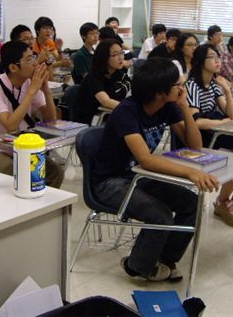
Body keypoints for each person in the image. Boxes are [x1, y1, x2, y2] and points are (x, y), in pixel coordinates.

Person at [92, 57, 220, 281]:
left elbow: (195, 146)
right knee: (160, 214)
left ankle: (164, 259)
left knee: (191, 203)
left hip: (140, 176)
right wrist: (191, 172)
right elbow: (146, 159)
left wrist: (184, 108)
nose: (182, 88)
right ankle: (138, 266)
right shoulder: (127, 112)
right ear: (160, 92)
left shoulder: (168, 106)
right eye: (177, 85)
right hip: (110, 182)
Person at [185, 45, 233, 226]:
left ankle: (226, 203)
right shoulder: (192, 85)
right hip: (203, 140)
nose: (218, 61)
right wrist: (221, 123)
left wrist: (227, 91)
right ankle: (223, 203)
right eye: (212, 57)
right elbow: (195, 121)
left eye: (218, 57)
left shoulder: (215, 83)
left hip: (219, 134)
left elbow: (231, 116)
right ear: (201, 62)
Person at [0, 41, 64, 188]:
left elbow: (51, 121)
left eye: (34, 58)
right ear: (13, 67)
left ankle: (38, 209)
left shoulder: (29, 83)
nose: (35, 64)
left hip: (20, 147)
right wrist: (31, 91)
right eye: (29, 60)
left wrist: (46, 90)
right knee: (12, 171)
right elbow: (10, 125)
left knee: (55, 172)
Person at [73, 39, 131, 125]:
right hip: (93, 121)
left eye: (121, 53)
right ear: (104, 57)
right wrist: (131, 109)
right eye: (115, 54)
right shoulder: (93, 77)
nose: (120, 58)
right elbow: (106, 101)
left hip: (112, 115)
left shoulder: (119, 74)